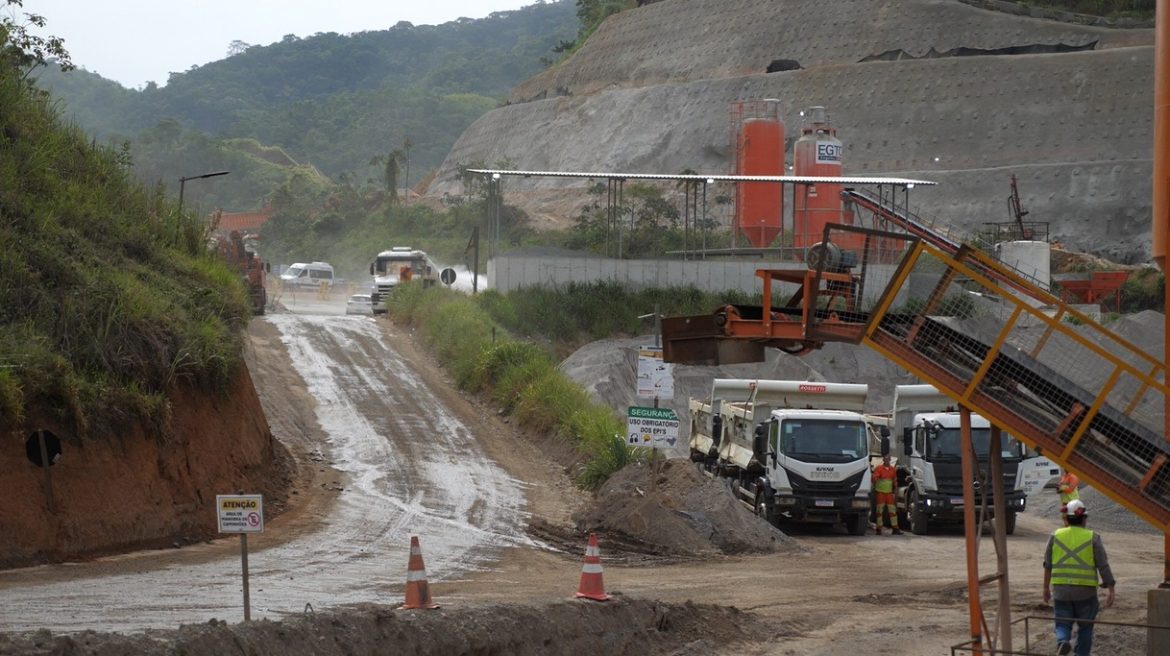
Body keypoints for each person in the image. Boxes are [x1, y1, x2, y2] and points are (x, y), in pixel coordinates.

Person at [1043, 499, 1115, 656]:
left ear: (1066, 519)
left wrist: (1045, 588)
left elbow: (1048, 565)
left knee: (1062, 622)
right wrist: (1111, 588)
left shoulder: (1055, 536)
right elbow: (1103, 565)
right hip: (1086, 592)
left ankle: (1063, 641)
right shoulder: (1093, 537)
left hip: (1061, 589)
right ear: (1084, 519)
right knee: (1085, 627)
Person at [872, 453, 902, 535]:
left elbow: (894, 481)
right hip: (881, 493)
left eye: (888, 459)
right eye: (886, 459)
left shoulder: (893, 470)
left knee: (892, 511)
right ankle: (879, 529)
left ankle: (895, 528)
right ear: (883, 460)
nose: (887, 460)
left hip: (889, 493)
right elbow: (874, 478)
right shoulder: (879, 469)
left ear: (890, 460)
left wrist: (895, 492)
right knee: (879, 512)